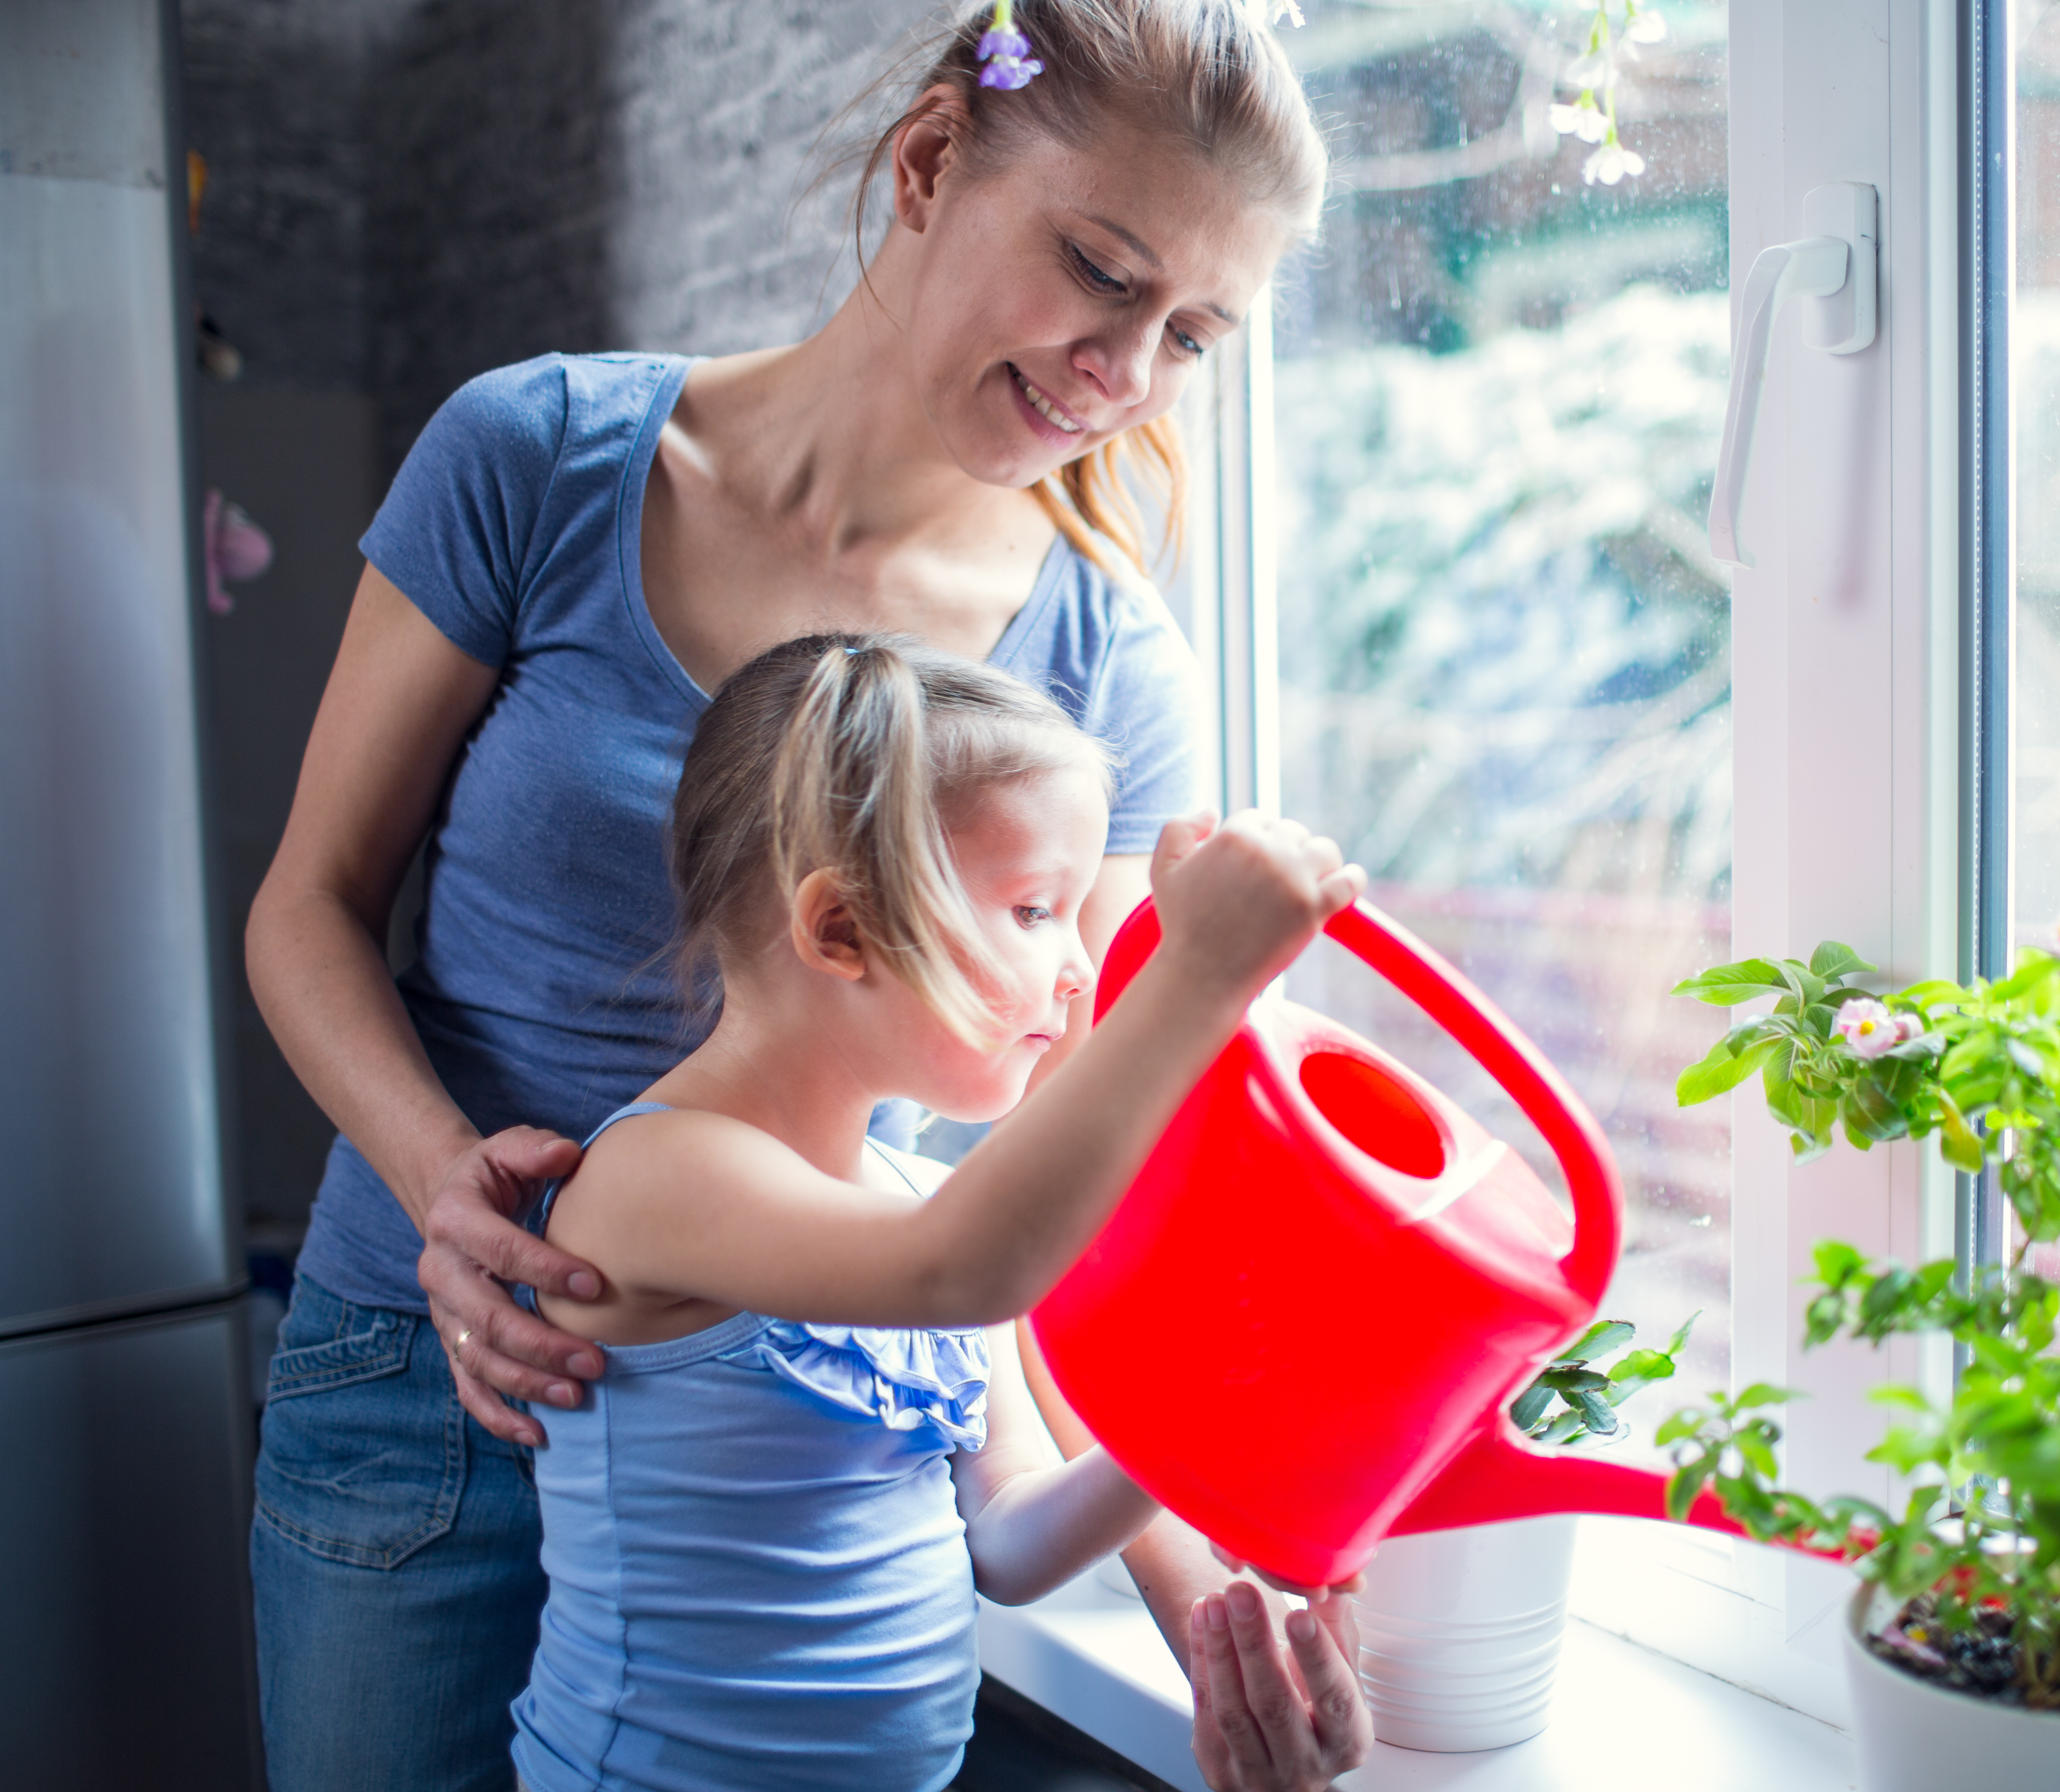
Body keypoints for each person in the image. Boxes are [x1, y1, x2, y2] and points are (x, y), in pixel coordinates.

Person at [242, 3, 1367, 1787]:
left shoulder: (1109, 666)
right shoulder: (536, 456)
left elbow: (1065, 1159)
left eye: (1191, 336)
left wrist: (1197, 1585)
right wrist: (439, 1190)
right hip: (427, 1389)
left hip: (816, 1441)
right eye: (1099, 269)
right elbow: (309, 904)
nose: (1124, 370)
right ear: (930, 162)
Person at [505, 632, 1359, 1792]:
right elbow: (965, 1270)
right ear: (840, 929)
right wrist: (1194, 978)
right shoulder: (662, 1177)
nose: (1075, 968)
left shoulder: (922, 1205)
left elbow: (1005, 1538)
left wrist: (1203, 1414)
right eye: (1032, 909)